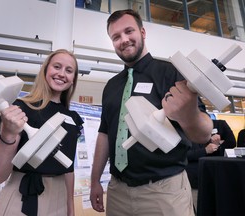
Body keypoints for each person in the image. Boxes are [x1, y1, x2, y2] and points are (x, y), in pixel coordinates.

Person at [89, 9, 213, 216]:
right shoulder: (111, 86)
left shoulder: (171, 73)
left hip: (164, 192)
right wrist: (95, 181)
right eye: (116, 37)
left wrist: (188, 114)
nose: (124, 40)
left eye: (129, 31)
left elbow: (203, 134)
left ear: (143, 32)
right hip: (118, 191)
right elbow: (104, 134)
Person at [0, 49, 83, 216]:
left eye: (69, 71)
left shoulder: (73, 119)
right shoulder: (21, 109)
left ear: (72, 81)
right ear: (45, 70)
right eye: (57, 66)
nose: (62, 74)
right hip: (22, 196)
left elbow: (68, 169)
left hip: (59, 199)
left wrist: (70, 207)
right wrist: (8, 134)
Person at [186, 119, 236, 209]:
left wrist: (217, 145)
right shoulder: (186, 128)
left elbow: (231, 142)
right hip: (195, 180)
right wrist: (205, 150)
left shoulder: (220, 124)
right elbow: (184, 155)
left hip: (216, 176)